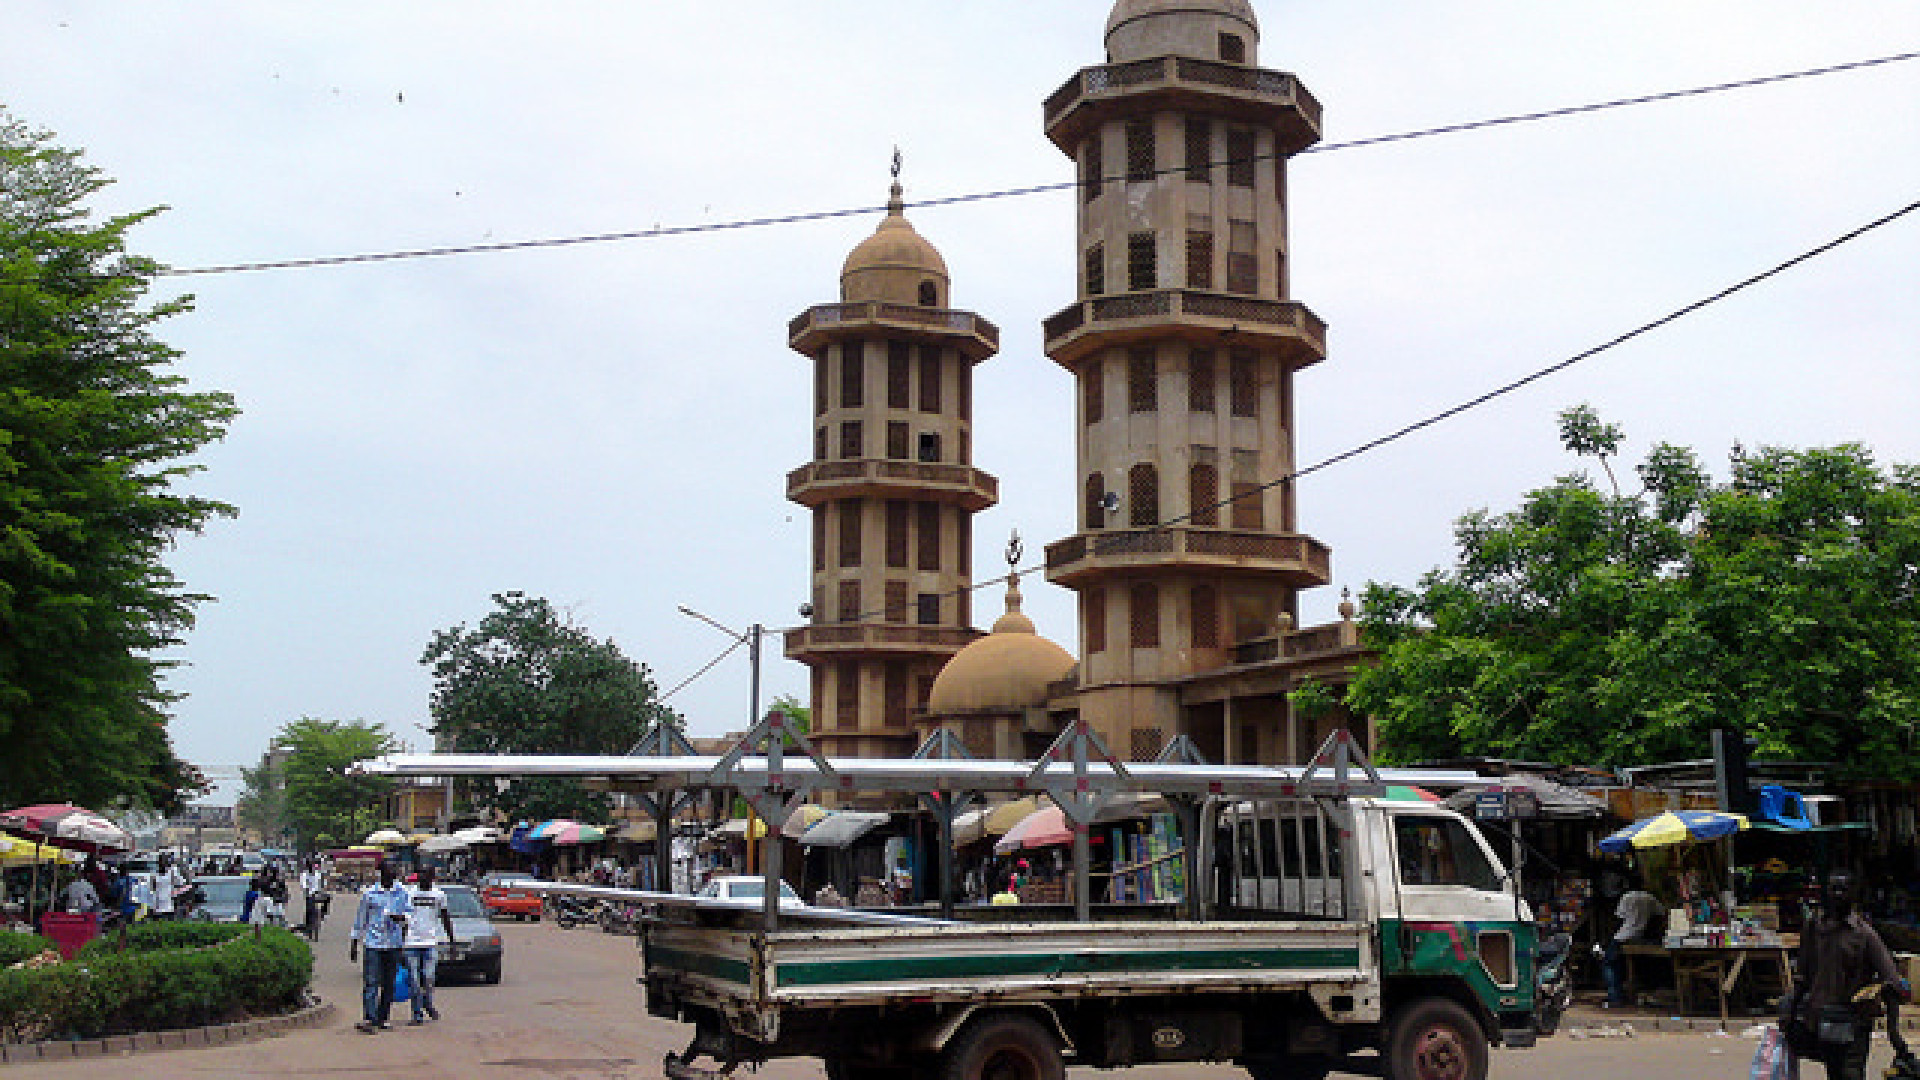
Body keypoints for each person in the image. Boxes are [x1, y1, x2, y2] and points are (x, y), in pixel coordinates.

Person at [1791, 871, 1909, 1080]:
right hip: (1822, 1019)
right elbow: (1803, 975)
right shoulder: (1815, 929)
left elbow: (1891, 977)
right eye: (1833, 889)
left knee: (1850, 1073)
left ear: (1853, 893)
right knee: (1834, 1072)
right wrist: (1791, 1013)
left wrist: (1889, 994)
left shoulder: (1864, 934)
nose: (1837, 894)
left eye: (1843, 889)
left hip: (1854, 1023)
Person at [349, 863, 410, 1034]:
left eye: (394, 872)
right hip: (373, 943)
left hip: (393, 944)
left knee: (389, 984)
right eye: (389, 872)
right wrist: (354, 943)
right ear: (381, 874)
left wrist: (401, 918)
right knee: (371, 982)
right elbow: (360, 920)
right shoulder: (369, 894)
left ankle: (384, 1018)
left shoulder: (402, 893)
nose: (392, 875)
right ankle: (370, 1018)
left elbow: (410, 914)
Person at [400, 866, 455, 1026]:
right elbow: (403, 917)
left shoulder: (439, 895)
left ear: (432, 877)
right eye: (420, 873)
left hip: (430, 941)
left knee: (429, 978)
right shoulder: (409, 893)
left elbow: (445, 918)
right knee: (415, 980)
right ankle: (417, 1014)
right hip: (411, 942)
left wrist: (452, 941)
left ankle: (428, 1003)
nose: (422, 877)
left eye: (426, 874)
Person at [1604, 872, 1663, 1008]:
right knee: (1640, 966)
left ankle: (1614, 997)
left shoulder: (1627, 897)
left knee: (1609, 963)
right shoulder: (1650, 898)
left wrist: (1609, 937)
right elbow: (1661, 915)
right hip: (1639, 937)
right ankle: (1640, 993)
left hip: (1622, 936)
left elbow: (1618, 920)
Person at [149, 853, 188, 920]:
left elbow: (182, 882)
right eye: (160, 861)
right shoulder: (154, 874)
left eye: (164, 861)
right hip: (157, 905)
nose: (162, 864)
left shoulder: (171, 872)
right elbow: (152, 889)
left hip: (168, 905)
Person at [300, 859, 328, 941]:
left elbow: (323, 883)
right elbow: (303, 884)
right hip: (310, 895)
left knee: (328, 899)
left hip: (318, 893)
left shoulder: (318, 874)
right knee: (309, 910)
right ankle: (308, 927)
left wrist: (323, 888)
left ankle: (323, 913)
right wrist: (306, 889)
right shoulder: (304, 875)